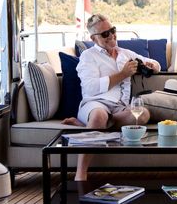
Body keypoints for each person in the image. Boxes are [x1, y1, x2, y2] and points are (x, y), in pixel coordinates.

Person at [67, 14, 161, 181]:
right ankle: (81, 172)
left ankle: (93, 125)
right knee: (99, 115)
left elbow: (156, 64)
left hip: (119, 107)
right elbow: (90, 88)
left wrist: (152, 66)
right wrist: (123, 74)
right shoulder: (88, 56)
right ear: (93, 38)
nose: (111, 36)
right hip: (95, 103)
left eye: (112, 30)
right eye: (105, 34)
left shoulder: (125, 53)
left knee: (143, 113)